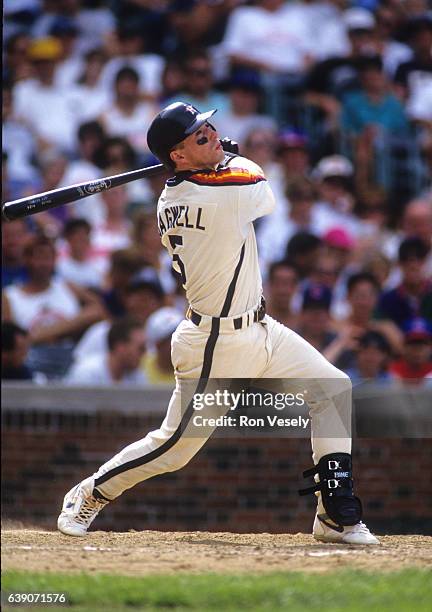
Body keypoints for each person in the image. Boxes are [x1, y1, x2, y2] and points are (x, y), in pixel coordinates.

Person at [57, 101, 379, 545]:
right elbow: (263, 189)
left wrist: (213, 155)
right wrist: (228, 154)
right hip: (215, 342)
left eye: (207, 124)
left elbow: (231, 177)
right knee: (174, 448)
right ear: (179, 157)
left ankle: (333, 516)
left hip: (260, 327)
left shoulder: (176, 193)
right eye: (198, 134)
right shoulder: (217, 191)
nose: (211, 131)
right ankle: (91, 492)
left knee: (333, 389)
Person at [65, 317, 147, 386]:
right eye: (141, 348)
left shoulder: (137, 374)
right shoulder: (87, 373)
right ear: (120, 347)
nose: (145, 354)